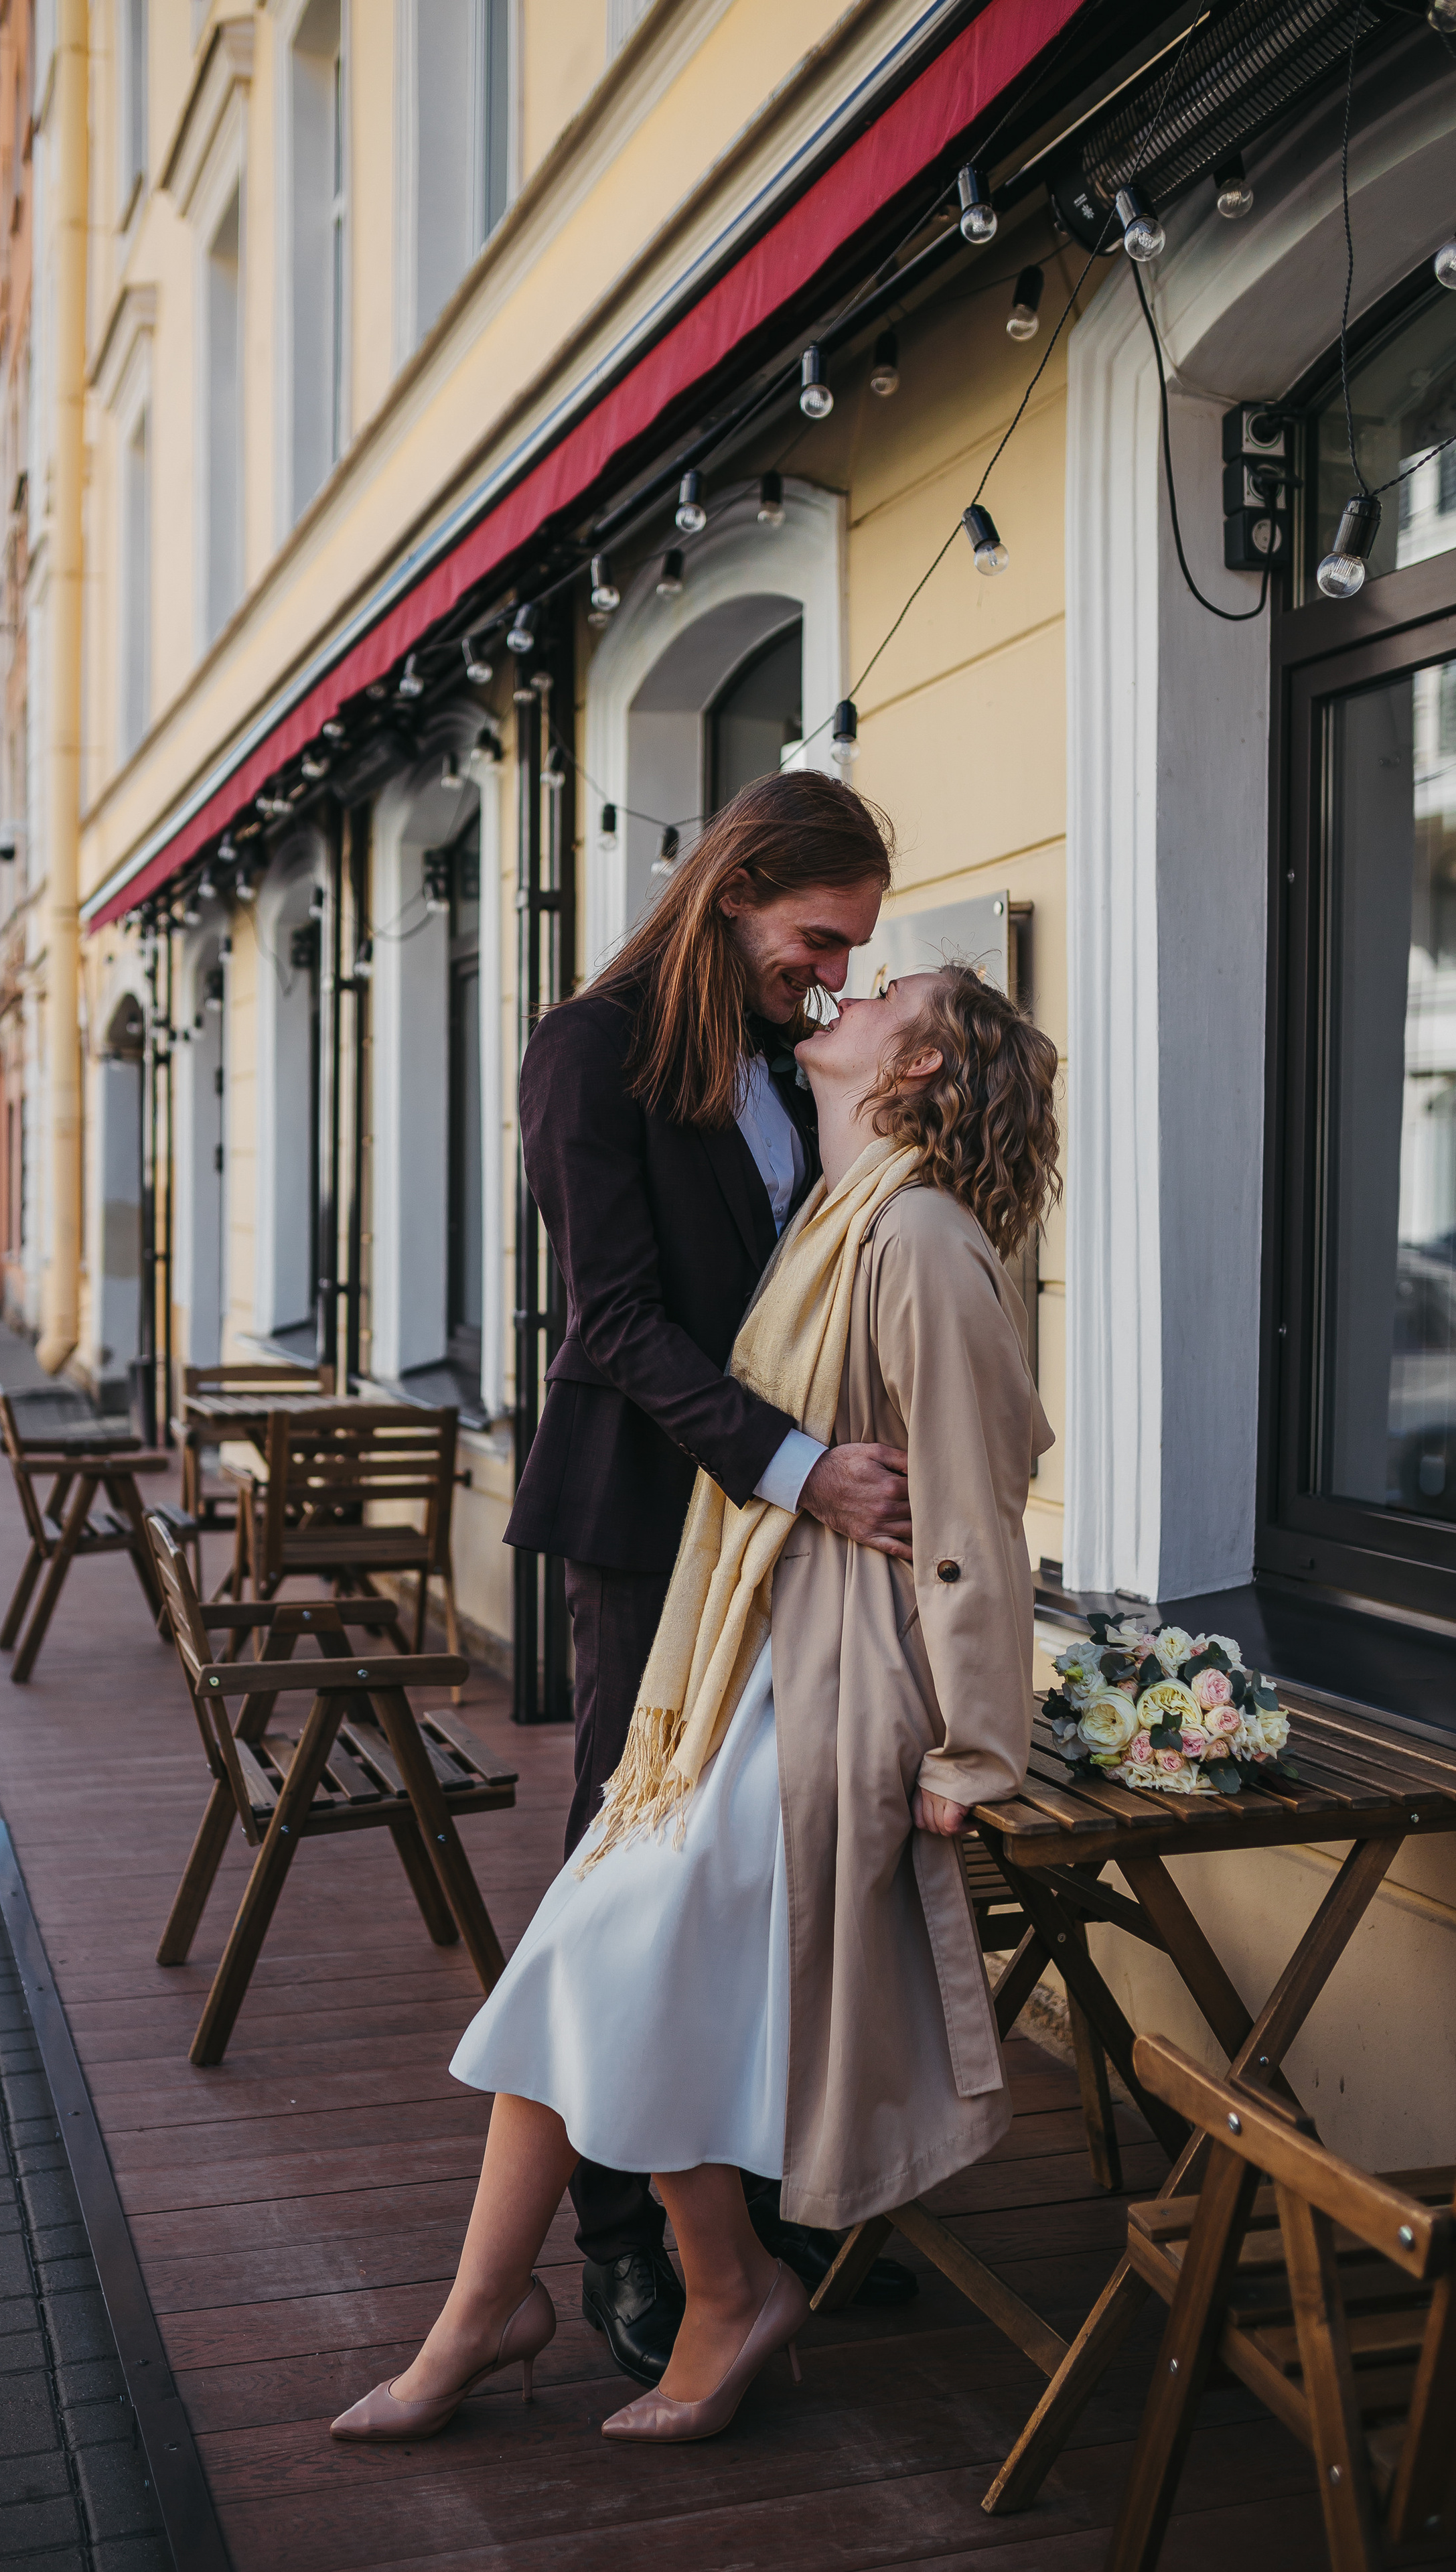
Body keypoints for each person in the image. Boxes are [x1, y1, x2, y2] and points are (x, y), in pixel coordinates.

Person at [332, 960, 1059, 2447]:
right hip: (733, 1659)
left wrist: (977, 1748)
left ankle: (677, 2295)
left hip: (823, 1678)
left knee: (603, 1960)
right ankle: (513, 2309)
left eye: (880, 994)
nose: (840, 995)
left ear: (912, 1074)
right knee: (582, 1966)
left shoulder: (913, 1234)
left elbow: (976, 1504)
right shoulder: (828, 1217)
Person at [502, 769, 916, 2382]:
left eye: (849, 955)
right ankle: (624, 2247)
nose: (830, 975)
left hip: (778, 1530)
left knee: (750, 1874)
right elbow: (610, 1321)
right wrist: (803, 1469)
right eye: (817, 939)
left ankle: (752, 2221)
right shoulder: (583, 1050)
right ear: (735, 886)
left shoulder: (773, 1055)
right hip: (647, 1521)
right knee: (627, 1872)